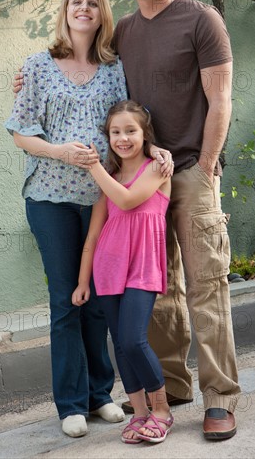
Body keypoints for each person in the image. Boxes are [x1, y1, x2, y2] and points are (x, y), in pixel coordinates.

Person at [12, 0, 241, 440]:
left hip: (188, 173)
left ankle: (220, 399)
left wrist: (204, 168)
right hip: (139, 183)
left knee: (206, 288)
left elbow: (221, 100)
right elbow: (78, 65)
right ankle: (173, 387)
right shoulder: (128, 35)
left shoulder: (202, 19)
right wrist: (24, 77)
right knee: (157, 293)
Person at [5, 0, 128, 438]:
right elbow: (20, 132)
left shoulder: (115, 69)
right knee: (66, 301)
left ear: (101, 14)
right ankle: (71, 404)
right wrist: (62, 152)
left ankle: (100, 395)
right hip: (51, 199)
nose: (84, 8)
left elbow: (129, 122)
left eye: (93, 3)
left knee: (97, 301)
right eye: (77, 1)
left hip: (100, 199)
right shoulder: (38, 65)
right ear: (66, 10)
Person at [72, 100, 174, 444]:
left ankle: (161, 410)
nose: (122, 138)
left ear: (145, 134)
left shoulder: (158, 168)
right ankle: (140, 413)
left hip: (143, 267)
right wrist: (84, 280)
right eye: (115, 132)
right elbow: (93, 235)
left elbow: (129, 200)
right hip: (107, 270)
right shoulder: (111, 179)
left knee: (133, 339)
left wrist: (94, 167)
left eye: (130, 130)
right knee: (121, 344)